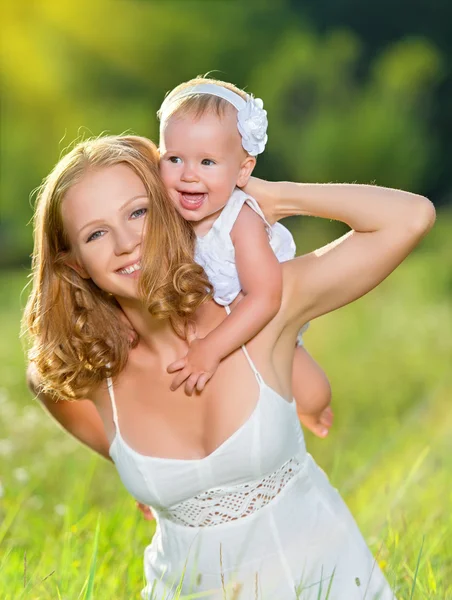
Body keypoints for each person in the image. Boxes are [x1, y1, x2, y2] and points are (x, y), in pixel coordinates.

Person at [24, 134, 435, 599]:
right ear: (75, 264)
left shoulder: (260, 311)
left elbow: (410, 217)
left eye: (138, 212)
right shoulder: (95, 376)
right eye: (95, 234)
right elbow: (43, 380)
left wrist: (270, 197)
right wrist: (138, 470)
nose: (125, 243)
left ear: (173, 208)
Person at [157, 77, 332, 438]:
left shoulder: (241, 220)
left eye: (207, 162)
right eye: (174, 158)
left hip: (263, 322)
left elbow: (266, 296)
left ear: (242, 171)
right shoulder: (166, 216)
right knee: (190, 391)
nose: (188, 174)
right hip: (201, 328)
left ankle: (312, 413)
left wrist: (212, 349)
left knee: (313, 392)